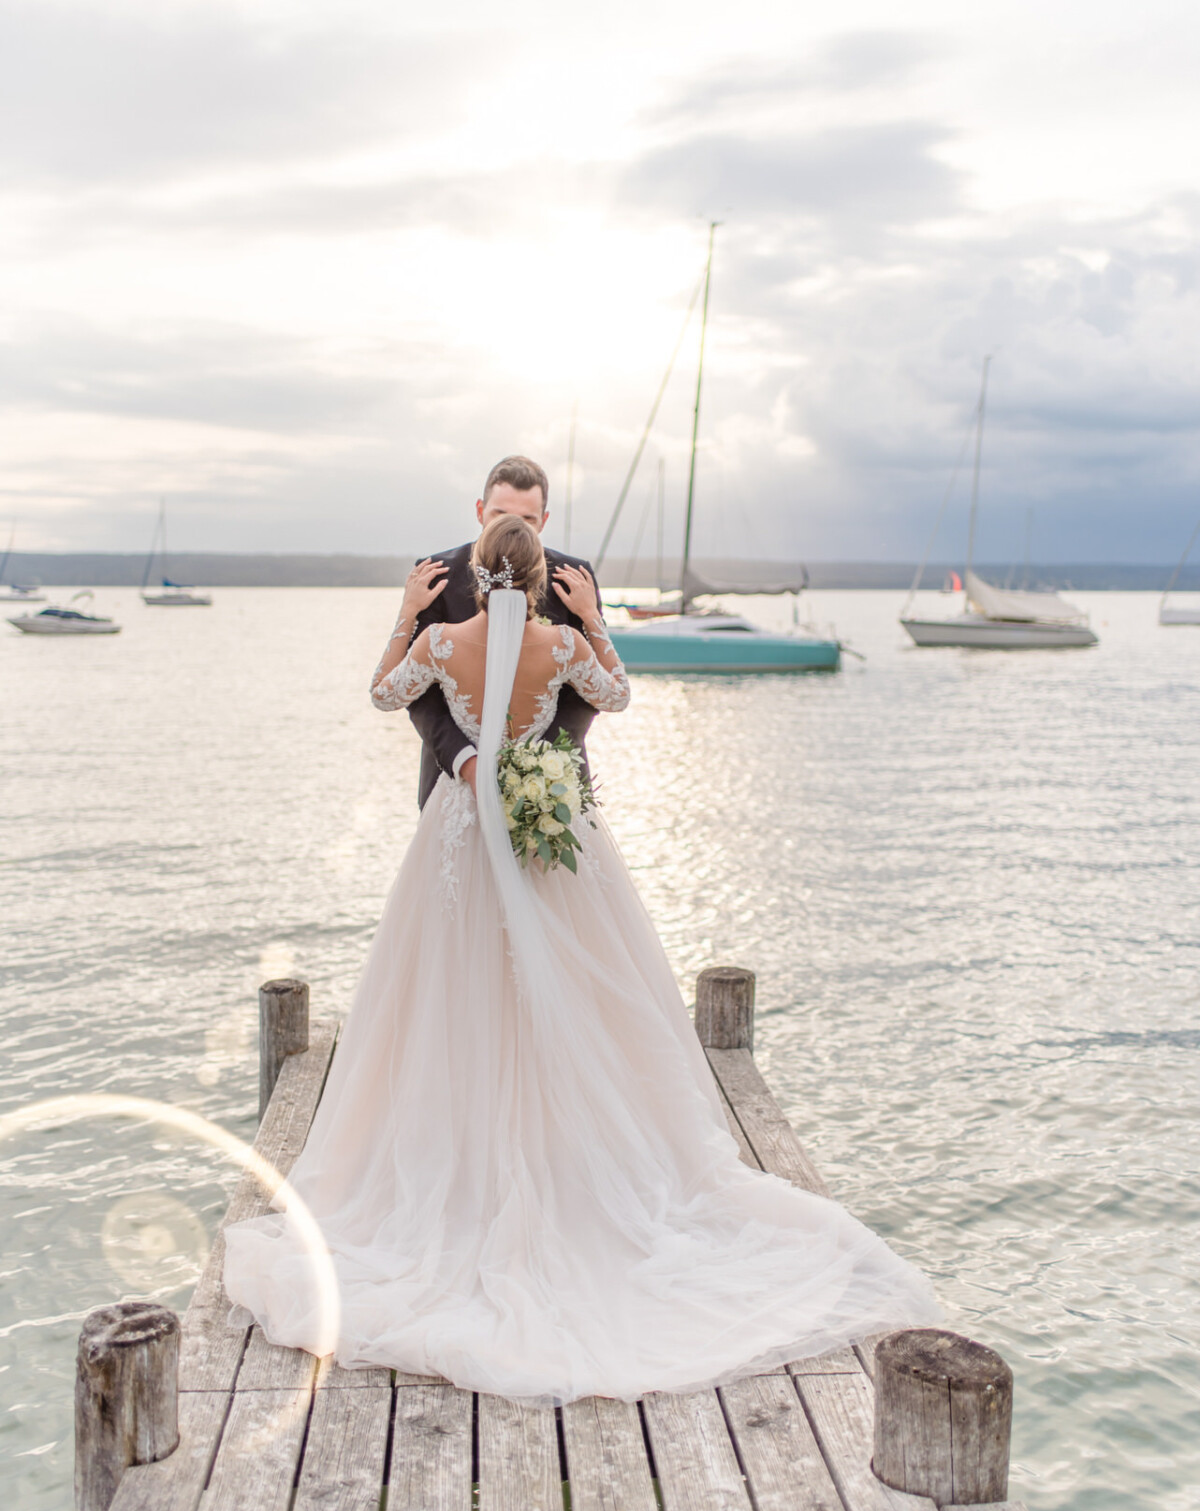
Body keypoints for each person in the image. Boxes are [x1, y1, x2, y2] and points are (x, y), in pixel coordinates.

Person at [224, 502, 939, 1405]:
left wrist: (409, 612)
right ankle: (574, 1153)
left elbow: (381, 694)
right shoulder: (559, 649)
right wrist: (595, 622)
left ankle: (459, 1155)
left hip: (460, 835)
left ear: (479, 567)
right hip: (549, 824)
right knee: (563, 983)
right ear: (535, 575)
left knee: (455, 993)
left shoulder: (444, 647)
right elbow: (616, 694)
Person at [400, 454, 606, 809]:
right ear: (480, 510)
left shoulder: (573, 577)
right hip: (454, 781)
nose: (514, 526)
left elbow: (588, 691)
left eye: (527, 518)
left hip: (552, 783)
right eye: (500, 514)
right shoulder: (436, 574)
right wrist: (467, 763)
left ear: (544, 520)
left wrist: (538, 764)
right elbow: (419, 693)